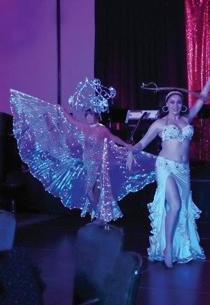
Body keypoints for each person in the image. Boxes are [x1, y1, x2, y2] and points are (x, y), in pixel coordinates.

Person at [10, 80, 156, 224]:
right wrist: (61, 111)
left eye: (91, 115)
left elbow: (113, 138)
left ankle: (100, 215)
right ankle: (100, 215)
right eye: (87, 115)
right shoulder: (85, 128)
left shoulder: (101, 129)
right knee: (92, 190)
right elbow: (71, 122)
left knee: (91, 189)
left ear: (96, 116)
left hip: (97, 162)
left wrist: (127, 145)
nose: (89, 117)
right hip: (87, 162)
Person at [128, 74, 210, 268]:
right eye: (172, 102)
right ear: (166, 104)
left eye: (179, 102)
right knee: (176, 205)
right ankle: (168, 248)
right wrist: (132, 151)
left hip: (183, 170)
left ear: (182, 105)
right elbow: (142, 143)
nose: (176, 105)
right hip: (165, 166)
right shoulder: (159, 124)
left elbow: (201, 100)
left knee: (182, 208)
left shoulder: (187, 120)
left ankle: (178, 246)